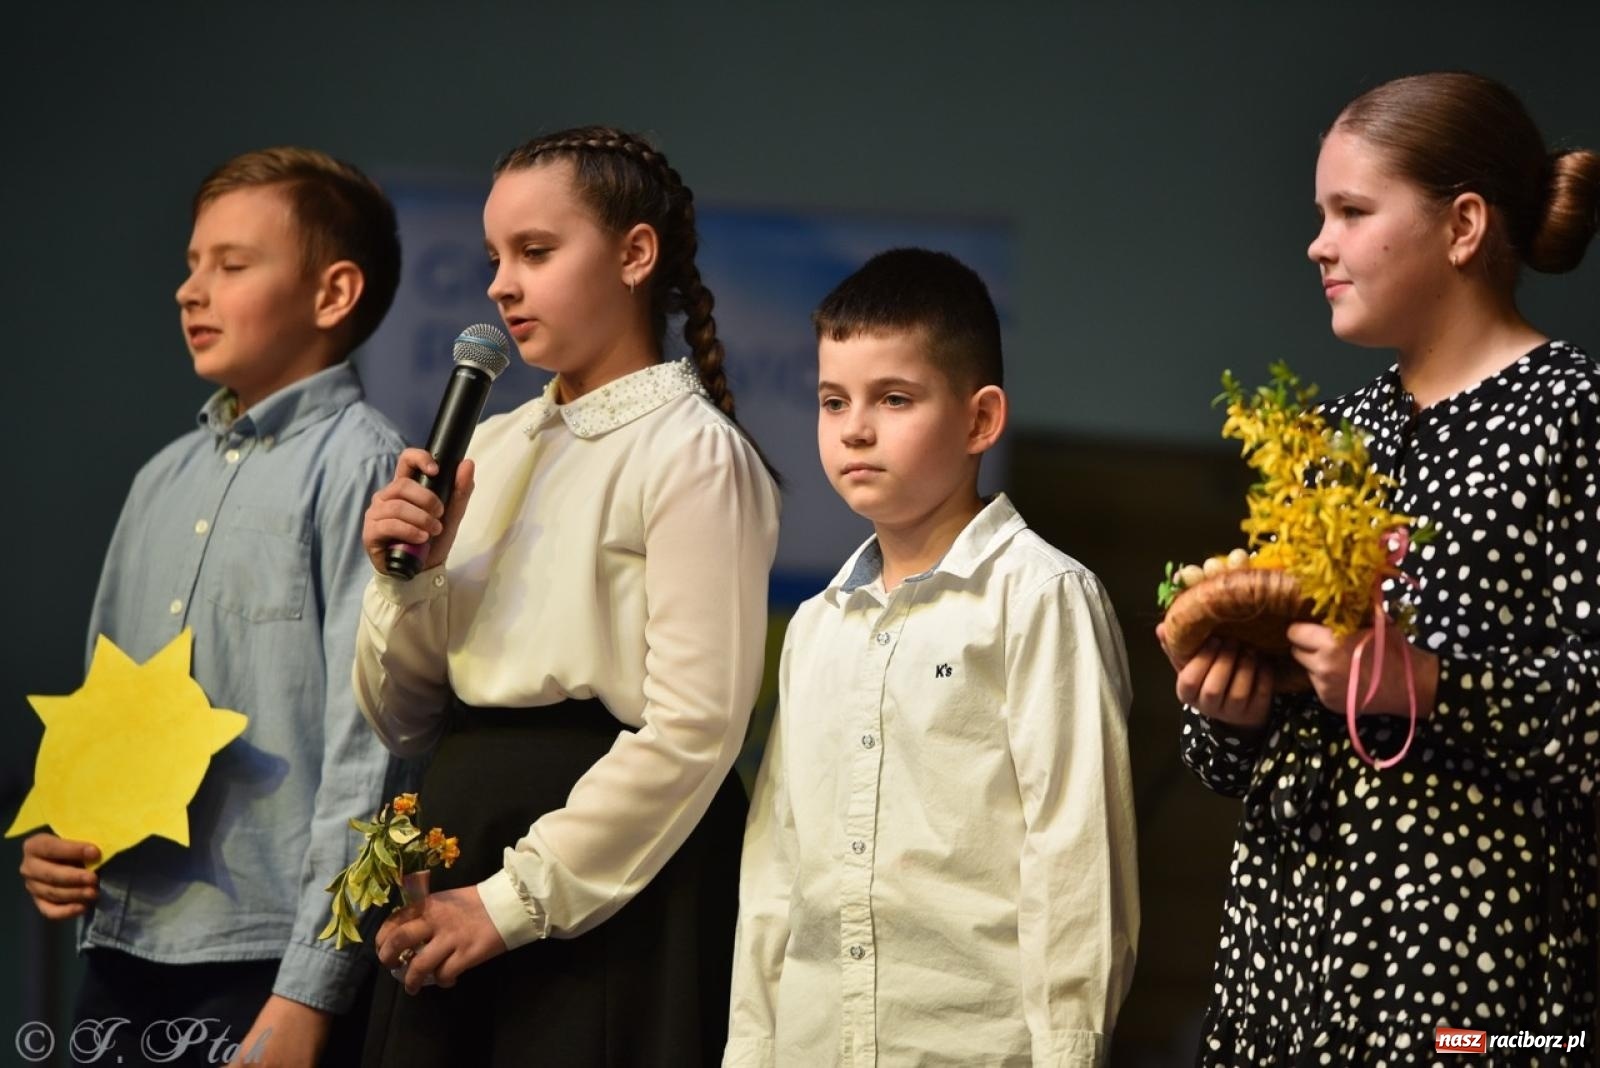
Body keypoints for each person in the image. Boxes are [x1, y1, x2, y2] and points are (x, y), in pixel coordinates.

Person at [1159, 71, 1600, 1063]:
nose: (1318, 242)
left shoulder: (1572, 419)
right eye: (1321, 214)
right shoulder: (1334, 441)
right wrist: (1226, 714)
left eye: (1351, 211)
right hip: (1289, 956)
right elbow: (1239, 761)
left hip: (1477, 973)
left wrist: (1425, 683)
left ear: (1464, 225)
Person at [354, 126, 781, 1067]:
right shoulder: (493, 445)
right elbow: (404, 717)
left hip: (604, 880)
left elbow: (694, 731)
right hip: (465, 836)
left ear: (635, 254)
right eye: (494, 258)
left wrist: (512, 903)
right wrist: (406, 578)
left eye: (536, 252)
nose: (502, 284)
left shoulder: (690, 451)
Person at [18, 146, 407, 1065]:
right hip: (123, 944)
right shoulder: (161, 477)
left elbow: (375, 749)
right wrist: (65, 831)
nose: (190, 291)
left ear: (332, 293)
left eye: (231, 265)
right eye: (192, 266)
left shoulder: (363, 469)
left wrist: (311, 990)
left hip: (268, 960)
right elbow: (104, 708)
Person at [726, 248, 1139, 1067]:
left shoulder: (1041, 597)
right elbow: (777, 865)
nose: (855, 429)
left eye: (895, 398)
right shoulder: (816, 624)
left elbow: (1076, 865)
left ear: (981, 420)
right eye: (833, 400)